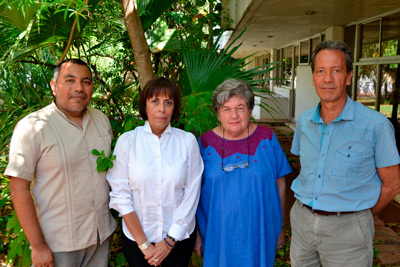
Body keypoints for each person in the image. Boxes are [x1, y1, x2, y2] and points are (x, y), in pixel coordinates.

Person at [290, 40, 400, 266]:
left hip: (349, 230)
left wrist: (360, 215)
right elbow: (308, 169)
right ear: (313, 77)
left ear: (349, 76)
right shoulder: (304, 121)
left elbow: (392, 184)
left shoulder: (376, 125)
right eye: (321, 71)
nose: (327, 79)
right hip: (302, 223)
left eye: (336, 71)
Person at [5, 58, 117, 267]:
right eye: (69, 80)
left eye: (86, 81)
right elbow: (18, 188)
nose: (79, 88)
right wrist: (37, 246)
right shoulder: (33, 127)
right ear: (54, 86)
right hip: (58, 244)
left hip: (99, 236)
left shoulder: (101, 120)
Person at [106, 77, 203, 267]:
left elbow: (192, 195)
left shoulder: (187, 141)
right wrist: (144, 245)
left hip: (179, 240)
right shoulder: (127, 142)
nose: (161, 109)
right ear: (145, 105)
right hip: (137, 242)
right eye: (155, 102)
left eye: (168, 103)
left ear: (174, 107)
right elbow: (120, 196)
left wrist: (169, 241)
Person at [195, 78, 292, 267]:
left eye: (240, 107)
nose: (234, 115)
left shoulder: (267, 139)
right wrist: (197, 235)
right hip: (218, 237)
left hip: (260, 234)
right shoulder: (204, 143)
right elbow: (193, 193)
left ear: (249, 110)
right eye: (226, 109)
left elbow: (280, 184)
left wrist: (279, 227)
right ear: (218, 114)